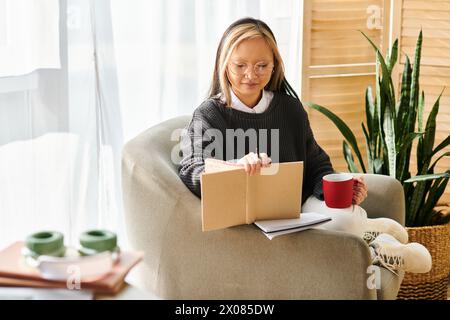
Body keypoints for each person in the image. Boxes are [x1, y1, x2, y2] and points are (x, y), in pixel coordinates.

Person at [178, 17, 431, 275]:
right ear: (224, 64)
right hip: (248, 223)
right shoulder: (209, 114)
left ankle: (368, 230)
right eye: (240, 65)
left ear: (275, 65)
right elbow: (191, 167)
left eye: (262, 65)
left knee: (344, 217)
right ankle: (379, 245)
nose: (251, 75)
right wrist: (236, 167)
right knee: (346, 226)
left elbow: (316, 164)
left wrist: (341, 188)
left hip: (298, 211)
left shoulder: (290, 109)